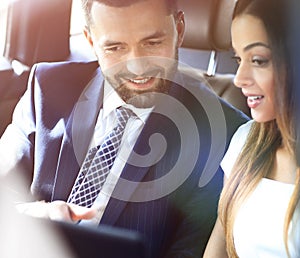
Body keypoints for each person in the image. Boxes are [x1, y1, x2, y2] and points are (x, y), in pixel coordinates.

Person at [0, 0, 248, 257]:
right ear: (91, 39)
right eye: (115, 48)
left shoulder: (224, 133)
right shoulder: (47, 88)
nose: (137, 67)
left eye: (152, 43)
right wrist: (30, 216)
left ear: (179, 29)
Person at [204, 0, 300, 257]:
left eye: (258, 60)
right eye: (238, 59)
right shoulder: (246, 142)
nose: (239, 78)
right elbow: (218, 248)